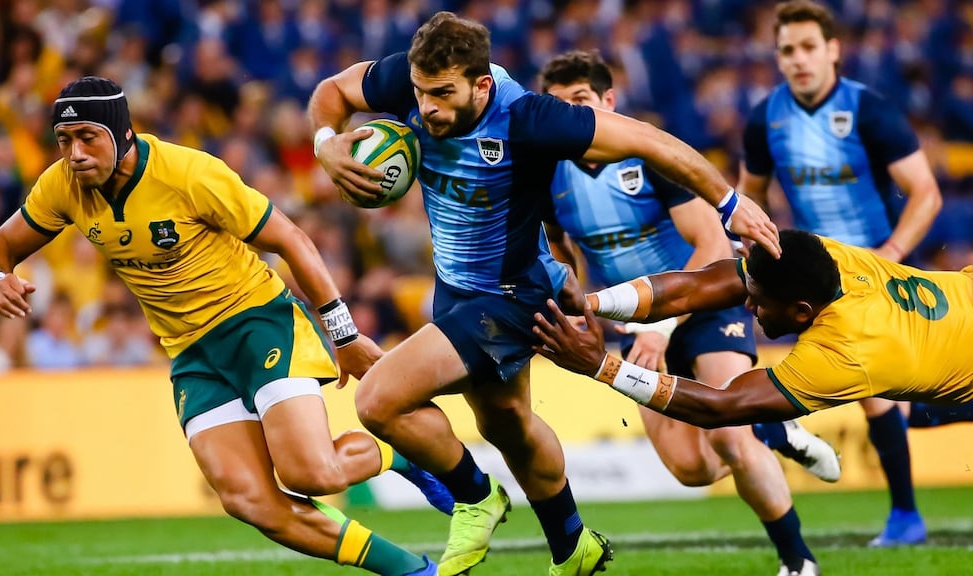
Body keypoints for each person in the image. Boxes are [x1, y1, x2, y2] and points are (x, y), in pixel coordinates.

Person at [307, 11, 780, 576]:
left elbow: (649, 140)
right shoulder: (407, 80)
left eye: (441, 94)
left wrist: (731, 205)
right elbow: (332, 92)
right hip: (454, 289)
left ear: (481, 85)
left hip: (513, 294)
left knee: (377, 399)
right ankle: (572, 546)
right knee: (508, 425)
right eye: (419, 92)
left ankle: (474, 495)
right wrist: (326, 143)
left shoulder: (528, 119)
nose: (426, 107)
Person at [0, 76, 452, 576]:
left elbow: (291, 240)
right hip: (191, 354)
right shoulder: (63, 186)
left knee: (311, 473)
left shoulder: (188, 173)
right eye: (64, 140)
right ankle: (413, 572)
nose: (73, 153)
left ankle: (402, 457)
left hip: (257, 323)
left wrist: (345, 335)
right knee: (251, 502)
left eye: (87, 136)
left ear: (122, 134)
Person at [539, 50, 834, 576]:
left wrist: (663, 322)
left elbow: (712, 245)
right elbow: (561, 250)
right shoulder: (548, 175)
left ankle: (798, 562)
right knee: (690, 469)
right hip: (634, 321)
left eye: (580, 102)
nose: (571, 117)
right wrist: (576, 299)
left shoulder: (647, 155)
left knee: (727, 434)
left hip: (702, 307)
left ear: (608, 101)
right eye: (558, 106)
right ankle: (773, 431)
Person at [738, 0, 950, 547]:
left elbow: (925, 192)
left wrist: (892, 250)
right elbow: (749, 200)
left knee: (886, 395)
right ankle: (906, 513)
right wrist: (757, 265)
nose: (799, 60)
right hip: (820, 283)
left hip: (880, 272)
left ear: (833, 50)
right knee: (882, 397)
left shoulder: (868, 110)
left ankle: (906, 513)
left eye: (809, 47)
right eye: (787, 50)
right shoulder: (766, 119)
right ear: (777, 57)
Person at [532, 229, 973, 436]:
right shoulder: (825, 258)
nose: (748, 305)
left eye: (759, 302)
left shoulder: (847, 352)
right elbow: (698, 288)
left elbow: (721, 407)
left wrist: (601, 365)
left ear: (802, 312)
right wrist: (589, 303)